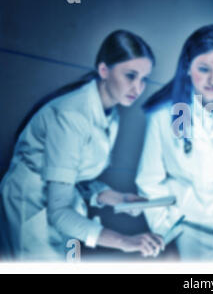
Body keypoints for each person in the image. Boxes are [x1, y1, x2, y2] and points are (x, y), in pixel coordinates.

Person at [0, 30, 164, 261]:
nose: (138, 88)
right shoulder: (72, 116)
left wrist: (117, 198)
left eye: (144, 79)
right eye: (130, 76)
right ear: (104, 70)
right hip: (32, 209)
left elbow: (76, 176)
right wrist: (125, 241)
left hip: (59, 209)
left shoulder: (110, 113)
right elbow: (59, 212)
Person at [136, 24, 213, 262]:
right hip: (185, 229)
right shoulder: (162, 115)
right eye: (204, 69)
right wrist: (167, 230)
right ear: (187, 67)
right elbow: (149, 181)